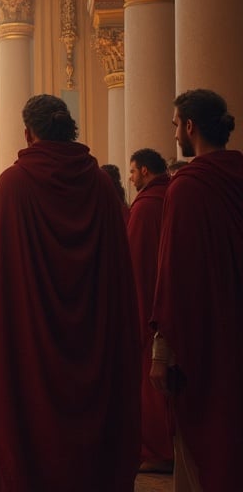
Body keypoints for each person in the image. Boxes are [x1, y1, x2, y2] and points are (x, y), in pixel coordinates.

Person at [0, 95, 139, 490]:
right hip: (93, 348)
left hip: (29, 352)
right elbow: (119, 274)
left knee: (30, 444)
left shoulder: (13, 184)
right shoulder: (98, 184)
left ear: (29, 133)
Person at [150, 89, 243, 491]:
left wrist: (161, 353)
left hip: (204, 338)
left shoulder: (187, 187)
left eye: (175, 125)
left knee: (200, 452)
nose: (174, 134)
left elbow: (174, 273)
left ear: (190, 127)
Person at [125, 147, 174, 473]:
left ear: (144, 171)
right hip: (176, 303)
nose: (130, 177)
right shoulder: (174, 196)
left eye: (133, 171)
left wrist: (135, 318)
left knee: (151, 385)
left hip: (150, 310)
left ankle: (158, 450)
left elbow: (136, 266)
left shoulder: (144, 208)